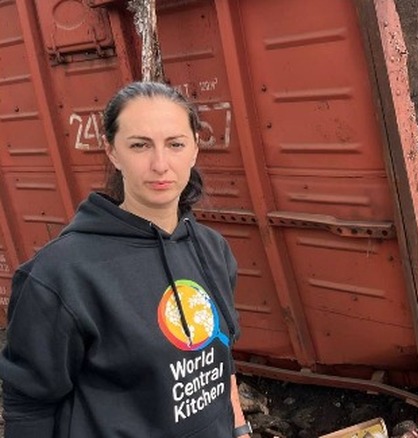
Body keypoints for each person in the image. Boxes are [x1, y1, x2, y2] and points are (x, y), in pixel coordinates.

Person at [0, 82, 252, 438]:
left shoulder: (211, 249)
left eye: (175, 144)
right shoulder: (61, 275)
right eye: (139, 145)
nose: (160, 164)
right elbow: (29, 406)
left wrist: (239, 428)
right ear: (113, 152)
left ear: (195, 148)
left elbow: (220, 359)